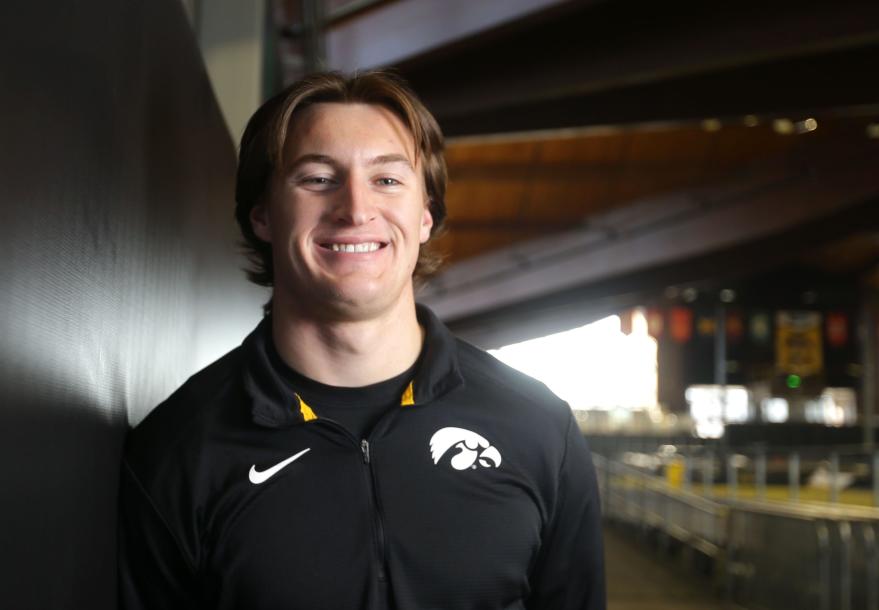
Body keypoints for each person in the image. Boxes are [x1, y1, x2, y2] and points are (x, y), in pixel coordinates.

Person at [118, 70, 605, 610]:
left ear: (425, 216)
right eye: (318, 178)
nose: (355, 208)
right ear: (262, 215)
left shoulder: (539, 428)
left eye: (388, 180)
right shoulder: (178, 450)